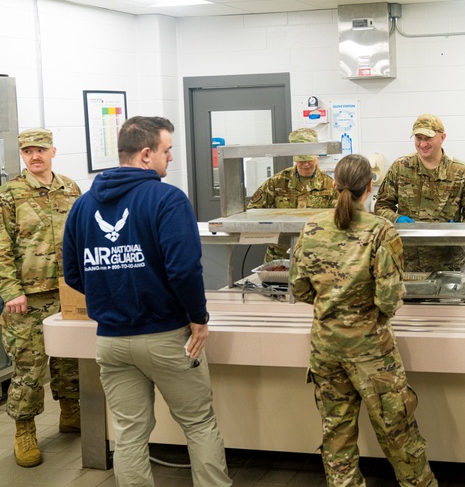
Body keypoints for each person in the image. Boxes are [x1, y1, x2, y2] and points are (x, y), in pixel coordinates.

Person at [62, 116, 231, 487]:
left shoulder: (82, 205)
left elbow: (74, 274)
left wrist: (112, 293)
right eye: (166, 151)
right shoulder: (167, 199)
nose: (170, 159)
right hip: (168, 336)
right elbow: (184, 270)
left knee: (128, 433)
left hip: (110, 340)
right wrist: (198, 317)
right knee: (198, 424)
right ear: (144, 154)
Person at [290, 154, 437, 487]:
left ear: (333, 184)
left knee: (337, 432)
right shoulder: (381, 231)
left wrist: (332, 304)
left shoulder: (312, 225)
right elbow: (388, 299)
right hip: (371, 351)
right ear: (370, 187)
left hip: (325, 348)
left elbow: (298, 289)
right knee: (397, 432)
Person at [0, 128, 81, 467]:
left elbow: (83, 233)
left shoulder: (70, 188)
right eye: (28, 151)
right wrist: (10, 291)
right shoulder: (9, 194)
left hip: (69, 290)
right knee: (29, 368)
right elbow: (1, 248)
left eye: (40, 150)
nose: (34, 156)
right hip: (27, 297)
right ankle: (24, 430)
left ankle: (71, 411)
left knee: (70, 360)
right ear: (22, 155)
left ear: (53, 151)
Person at [374, 114, 465, 271]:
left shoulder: (460, 172)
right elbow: (381, 207)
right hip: (407, 262)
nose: (422, 144)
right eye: (418, 138)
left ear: (442, 137)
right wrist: (396, 219)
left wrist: (459, 228)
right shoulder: (400, 167)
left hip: (448, 263)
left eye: (428, 138)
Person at [246, 127, 336, 262]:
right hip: (280, 256)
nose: (305, 165)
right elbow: (253, 210)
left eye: (309, 160)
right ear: (294, 158)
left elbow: (338, 218)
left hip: (316, 255)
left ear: (316, 156)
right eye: (301, 161)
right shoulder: (278, 182)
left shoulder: (329, 185)